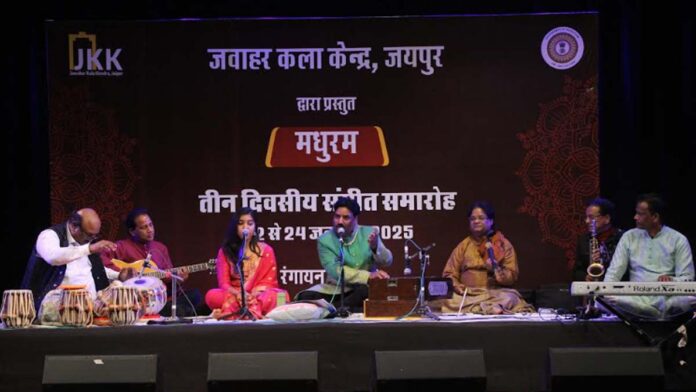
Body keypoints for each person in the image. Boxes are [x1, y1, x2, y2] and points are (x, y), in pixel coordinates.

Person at [602, 193, 696, 320]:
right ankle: (652, 313)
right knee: (604, 299)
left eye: (640, 214)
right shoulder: (629, 237)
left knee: (690, 299)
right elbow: (614, 271)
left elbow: (687, 279)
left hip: (666, 299)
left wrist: (672, 280)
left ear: (655, 217)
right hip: (635, 298)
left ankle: (655, 312)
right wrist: (605, 290)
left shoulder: (678, 239)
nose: (635, 217)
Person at [295, 197, 392, 313]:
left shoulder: (368, 232)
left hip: (364, 288)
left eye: (346, 218)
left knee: (364, 291)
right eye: (337, 216)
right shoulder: (325, 240)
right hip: (336, 290)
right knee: (305, 296)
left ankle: (333, 310)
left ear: (355, 218)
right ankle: (347, 309)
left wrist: (376, 247)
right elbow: (335, 270)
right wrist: (368, 276)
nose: (339, 221)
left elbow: (387, 261)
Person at [100, 208, 204, 317]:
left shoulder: (160, 248)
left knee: (195, 294)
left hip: (159, 296)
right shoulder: (122, 246)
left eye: (150, 225)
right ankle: (179, 312)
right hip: (137, 299)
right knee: (180, 310)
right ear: (132, 231)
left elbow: (168, 280)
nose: (150, 230)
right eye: (143, 227)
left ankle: (174, 311)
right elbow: (100, 258)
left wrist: (178, 279)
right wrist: (123, 273)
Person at [439, 201, 533, 314]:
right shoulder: (463, 245)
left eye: (481, 218)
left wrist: (495, 269)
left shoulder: (503, 244)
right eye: (472, 219)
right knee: (446, 300)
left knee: (510, 297)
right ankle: (488, 309)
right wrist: (457, 286)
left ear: (491, 221)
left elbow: (512, 276)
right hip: (468, 295)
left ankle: (480, 309)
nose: (476, 221)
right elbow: (449, 274)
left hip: (493, 294)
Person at [21, 208, 119, 311]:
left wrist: (118, 275)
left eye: (96, 235)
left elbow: (92, 269)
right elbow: (53, 257)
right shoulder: (48, 235)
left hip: (89, 311)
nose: (93, 239)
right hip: (52, 311)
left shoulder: (85, 244)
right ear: (73, 226)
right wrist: (89, 248)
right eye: (89, 235)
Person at [205, 207, 289, 319]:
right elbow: (224, 283)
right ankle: (251, 311)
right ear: (235, 227)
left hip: (258, 295)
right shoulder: (225, 251)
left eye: (250, 223)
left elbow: (269, 282)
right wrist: (238, 294)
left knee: (281, 296)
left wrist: (253, 294)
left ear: (255, 227)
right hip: (234, 294)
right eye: (241, 223)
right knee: (211, 295)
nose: (245, 227)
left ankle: (237, 312)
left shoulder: (266, 250)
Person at [572, 198, 626, 282]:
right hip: (590, 289)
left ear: (607, 218)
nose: (587, 221)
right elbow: (577, 270)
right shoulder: (584, 239)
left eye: (591, 217)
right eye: (586, 217)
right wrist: (585, 277)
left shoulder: (622, 238)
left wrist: (605, 258)